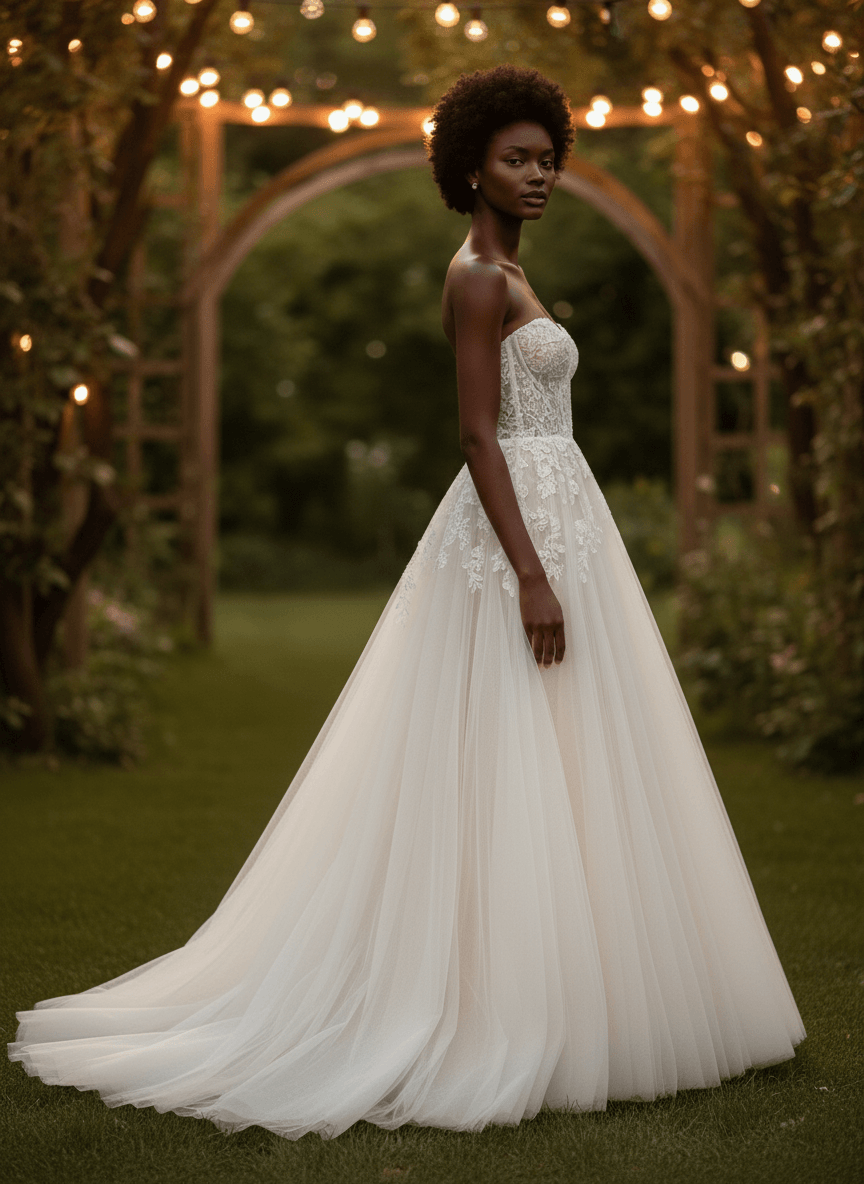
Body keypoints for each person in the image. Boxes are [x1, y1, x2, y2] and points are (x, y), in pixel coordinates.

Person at [9, 65, 804, 1139]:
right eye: (516, 158)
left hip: (565, 513)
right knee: (505, 747)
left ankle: (580, 992)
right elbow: (477, 435)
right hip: (518, 530)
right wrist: (529, 570)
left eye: (546, 156)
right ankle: (491, 999)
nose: (538, 175)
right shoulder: (477, 274)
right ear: (468, 163)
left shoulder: (513, 266)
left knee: (576, 751)